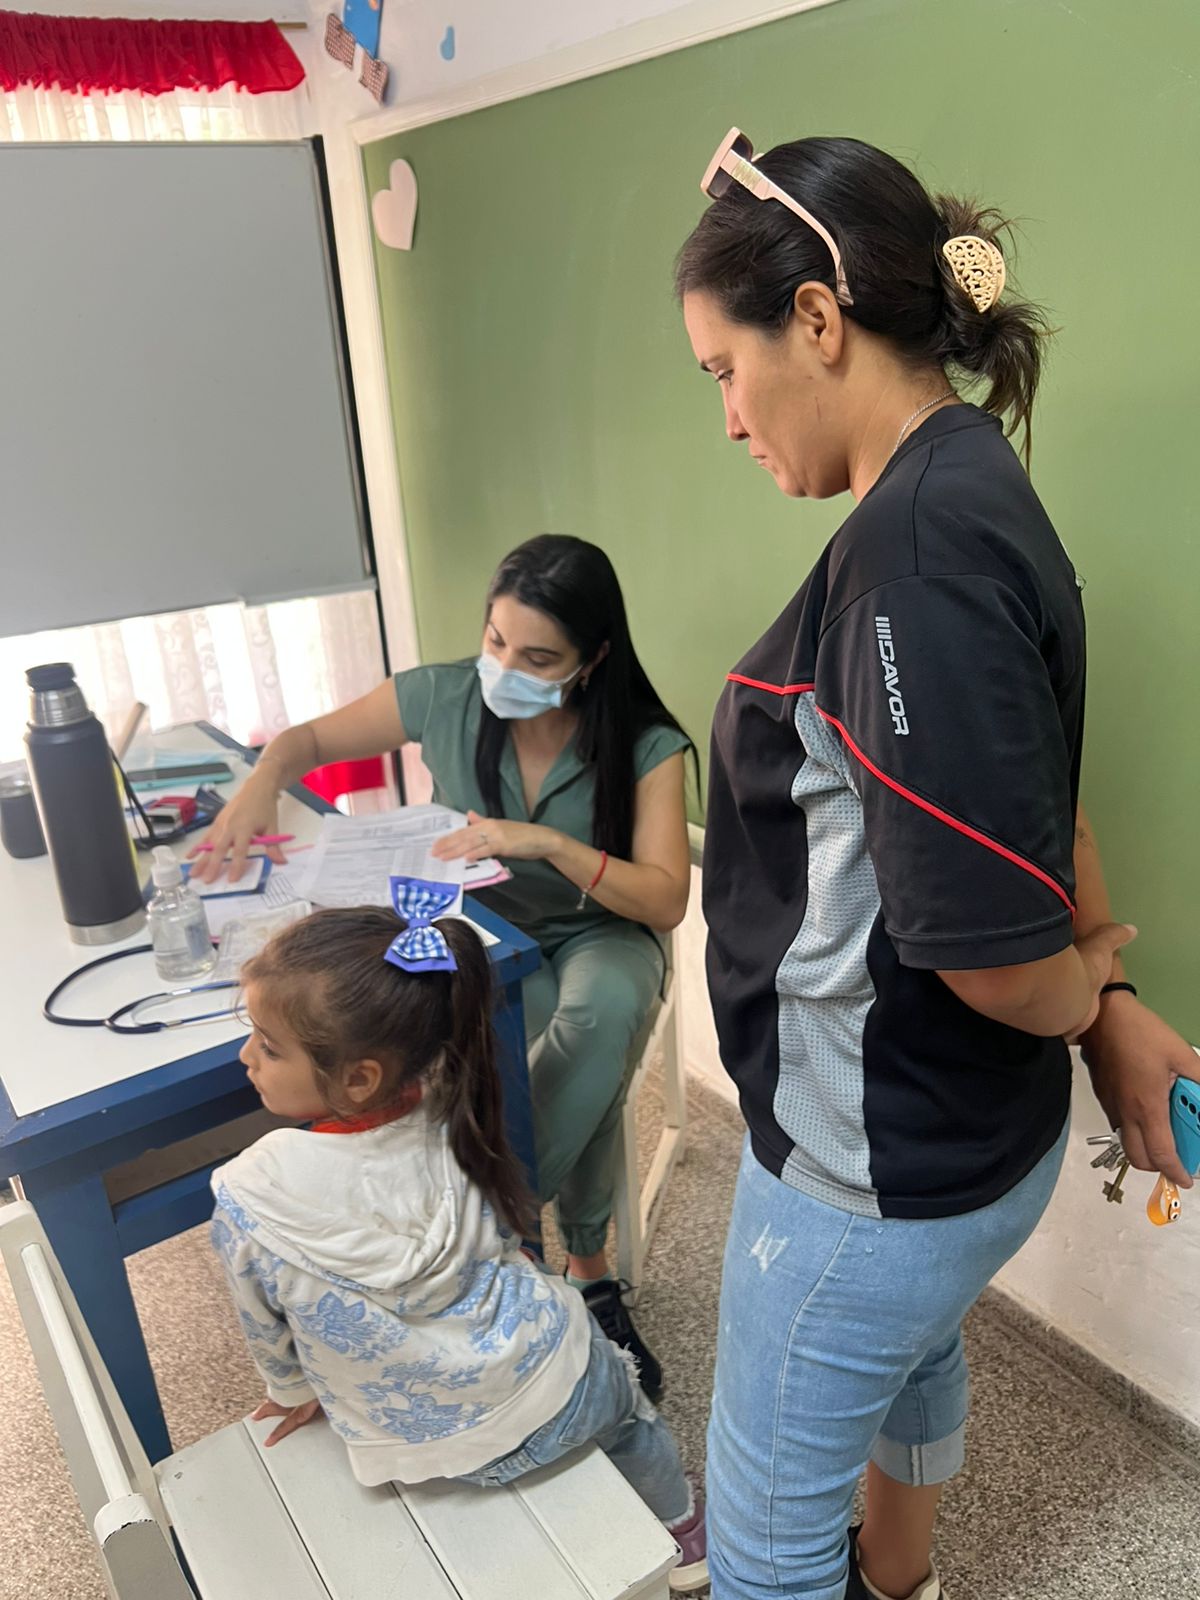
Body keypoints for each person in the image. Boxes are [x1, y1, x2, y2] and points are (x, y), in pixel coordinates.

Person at [675, 129, 1195, 1600]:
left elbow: (996, 957)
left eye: (724, 370)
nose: (728, 418)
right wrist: (1111, 1002)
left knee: (763, 1542)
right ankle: (902, 1578)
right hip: (963, 1144)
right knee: (910, 1364)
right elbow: (1039, 803)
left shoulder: (910, 561)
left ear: (818, 321)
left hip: (870, 1175)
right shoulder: (968, 481)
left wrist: (1083, 993)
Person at [192, 535, 695, 1394]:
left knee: (599, 1015)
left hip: (596, 925)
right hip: (479, 927)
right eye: (496, 641)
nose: (505, 668)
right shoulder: (446, 693)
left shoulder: (648, 744)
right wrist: (258, 784)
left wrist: (548, 843)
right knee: (493, 1042)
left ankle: (495, 1235)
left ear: (594, 658)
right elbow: (303, 741)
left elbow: (664, 899)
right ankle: (575, 1266)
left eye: (539, 658)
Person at [210, 890, 708, 1595]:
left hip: (418, 1448)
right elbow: (501, 1237)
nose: (245, 1057)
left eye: (266, 1045)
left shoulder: (251, 1191)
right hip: (559, 1391)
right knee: (629, 1411)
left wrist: (290, 1390)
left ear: (359, 1077)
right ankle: (685, 1532)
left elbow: (264, 1323)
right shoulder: (451, 1103)